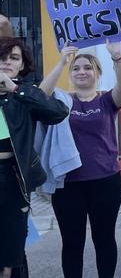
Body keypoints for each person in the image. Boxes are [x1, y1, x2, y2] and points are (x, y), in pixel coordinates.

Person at [44, 41, 121, 278]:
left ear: (98, 74)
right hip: (68, 184)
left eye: (88, 68)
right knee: (72, 244)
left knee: (104, 239)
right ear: (71, 74)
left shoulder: (106, 101)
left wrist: (117, 58)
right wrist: (62, 62)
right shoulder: (60, 101)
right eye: (76, 68)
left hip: (105, 181)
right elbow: (41, 95)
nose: (82, 71)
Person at [0, 37, 68, 278]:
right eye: (2, 57)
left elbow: (59, 112)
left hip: (12, 178)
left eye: (14, 58)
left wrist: (16, 89)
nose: (7, 62)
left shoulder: (24, 94)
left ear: (22, 65)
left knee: (11, 252)